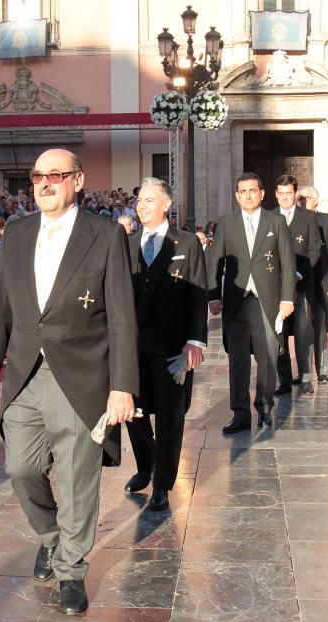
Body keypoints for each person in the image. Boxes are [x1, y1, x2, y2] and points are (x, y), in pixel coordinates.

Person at [0, 149, 138, 615]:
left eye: (56, 175)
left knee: (76, 477)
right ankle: (52, 538)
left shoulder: (105, 236)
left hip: (82, 375)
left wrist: (122, 385)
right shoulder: (18, 233)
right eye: (38, 176)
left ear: (78, 180)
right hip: (25, 373)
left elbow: (123, 319)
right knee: (20, 470)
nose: (45, 184)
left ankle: (70, 569)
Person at [124, 177, 207, 511]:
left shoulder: (186, 243)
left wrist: (193, 343)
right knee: (134, 412)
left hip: (171, 346)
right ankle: (146, 466)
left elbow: (197, 294)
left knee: (171, 417)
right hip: (133, 345)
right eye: (139, 201)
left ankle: (163, 483)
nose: (141, 206)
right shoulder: (127, 243)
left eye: (148, 200)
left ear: (166, 205)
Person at [207, 172, 294, 433]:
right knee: (238, 360)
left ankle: (265, 406)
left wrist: (287, 298)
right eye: (242, 191)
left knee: (267, 357)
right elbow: (215, 261)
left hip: (266, 301)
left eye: (252, 191)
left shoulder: (276, 221)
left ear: (262, 193)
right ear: (236, 196)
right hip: (236, 302)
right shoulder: (226, 223)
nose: (247, 195)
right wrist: (213, 295)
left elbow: (288, 263)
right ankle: (240, 414)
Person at [272, 175, 321, 394]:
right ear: (275, 194)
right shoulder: (269, 217)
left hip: (302, 284)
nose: (284, 197)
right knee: (279, 333)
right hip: (276, 287)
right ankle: (283, 380)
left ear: (295, 194)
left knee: (303, 331)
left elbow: (315, 248)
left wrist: (300, 272)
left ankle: (305, 377)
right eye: (281, 193)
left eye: (288, 193)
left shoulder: (308, 217)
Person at [296, 186, 328, 382]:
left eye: (306, 198)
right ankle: (304, 373)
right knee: (301, 328)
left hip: (321, 280)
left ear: (315, 200)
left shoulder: (326, 220)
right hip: (300, 280)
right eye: (300, 198)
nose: (302, 201)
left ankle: (323, 370)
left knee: (321, 325)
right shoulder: (293, 219)